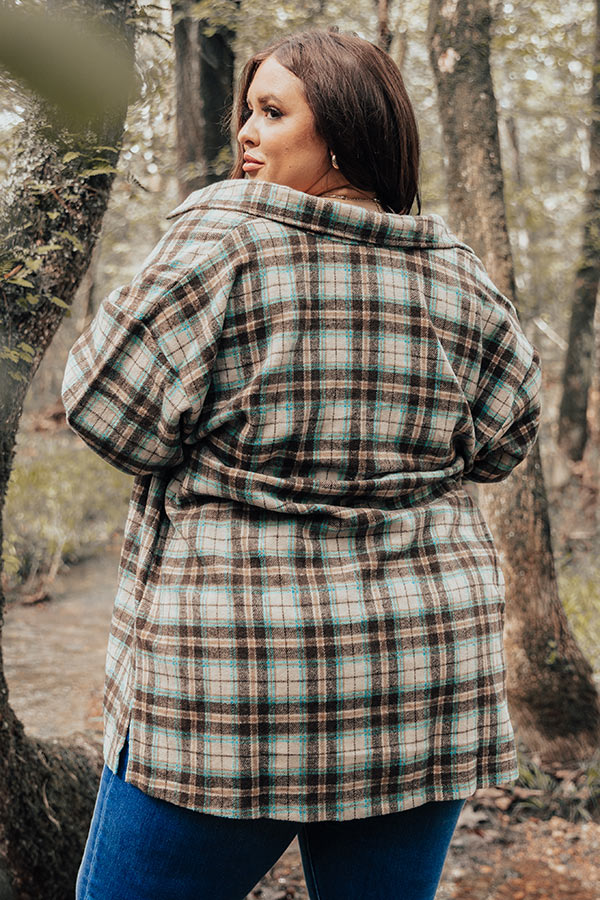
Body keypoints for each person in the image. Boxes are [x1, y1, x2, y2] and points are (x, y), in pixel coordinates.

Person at [62, 28, 542, 900]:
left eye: (273, 111)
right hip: (417, 686)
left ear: (346, 134)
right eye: (247, 109)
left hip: (228, 697)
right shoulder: (459, 279)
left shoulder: (222, 242)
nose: (246, 130)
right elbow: (505, 442)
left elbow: (106, 410)